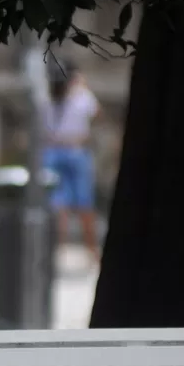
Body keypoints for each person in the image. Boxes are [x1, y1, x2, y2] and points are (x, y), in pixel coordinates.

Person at [43, 66, 103, 263]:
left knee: (58, 205)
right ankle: (92, 252)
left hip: (53, 150)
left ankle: (56, 251)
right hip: (76, 150)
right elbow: (97, 113)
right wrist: (82, 86)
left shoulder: (46, 98)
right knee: (84, 205)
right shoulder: (81, 97)